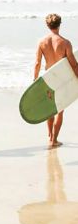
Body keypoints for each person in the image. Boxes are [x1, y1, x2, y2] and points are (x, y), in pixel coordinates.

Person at [34, 14, 78, 148]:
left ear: (47, 25)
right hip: (62, 78)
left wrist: (35, 80)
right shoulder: (65, 43)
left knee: (50, 108)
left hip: (48, 78)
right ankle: (54, 140)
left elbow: (37, 63)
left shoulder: (41, 42)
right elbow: (74, 65)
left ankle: (50, 136)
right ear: (60, 24)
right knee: (60, 109)